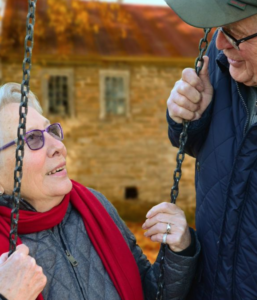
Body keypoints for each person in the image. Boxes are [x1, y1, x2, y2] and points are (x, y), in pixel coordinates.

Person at [0, 82, 200, 300]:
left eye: (51, 131)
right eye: (32, 138)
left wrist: (178, 252)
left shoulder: (95, 206)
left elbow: (148, 293)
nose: (58, 146)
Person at [165, 0, 257, 299]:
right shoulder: (222, 58)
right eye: (218, 29)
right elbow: (210, 148)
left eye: (235, 33)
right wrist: (187, 119)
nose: (221, 42)